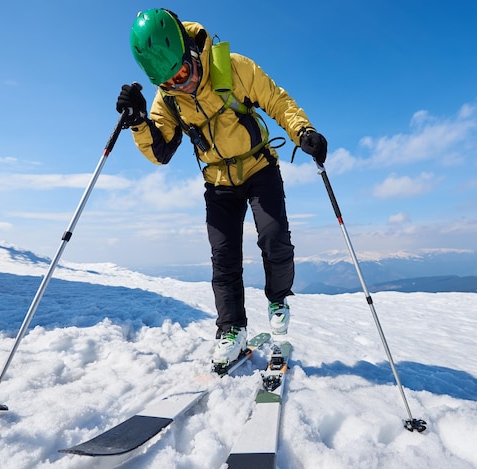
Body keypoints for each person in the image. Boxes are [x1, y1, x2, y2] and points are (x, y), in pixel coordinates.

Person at [116, 8, 327, 366]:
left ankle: (278, 299)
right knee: (224, 258)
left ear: (190, 48)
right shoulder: (167, 100)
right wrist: (138, 123)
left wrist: (302, 131)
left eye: (183, 71)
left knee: (274, 236)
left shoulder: (232, 66)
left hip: (259, 166)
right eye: (169, 81)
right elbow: (161, 151)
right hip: (218, 180)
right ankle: (232, 329)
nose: (181, 83)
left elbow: (276, 100)